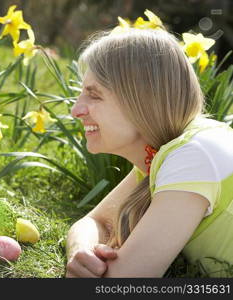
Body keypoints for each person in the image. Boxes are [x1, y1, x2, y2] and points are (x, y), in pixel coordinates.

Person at [66, 28, 233, 277]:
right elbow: (95, 222)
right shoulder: (163, 153)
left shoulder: (194, 154)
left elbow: (126, 280)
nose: (76, 110)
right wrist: (82, 252)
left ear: (141, 100)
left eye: (94, 95)